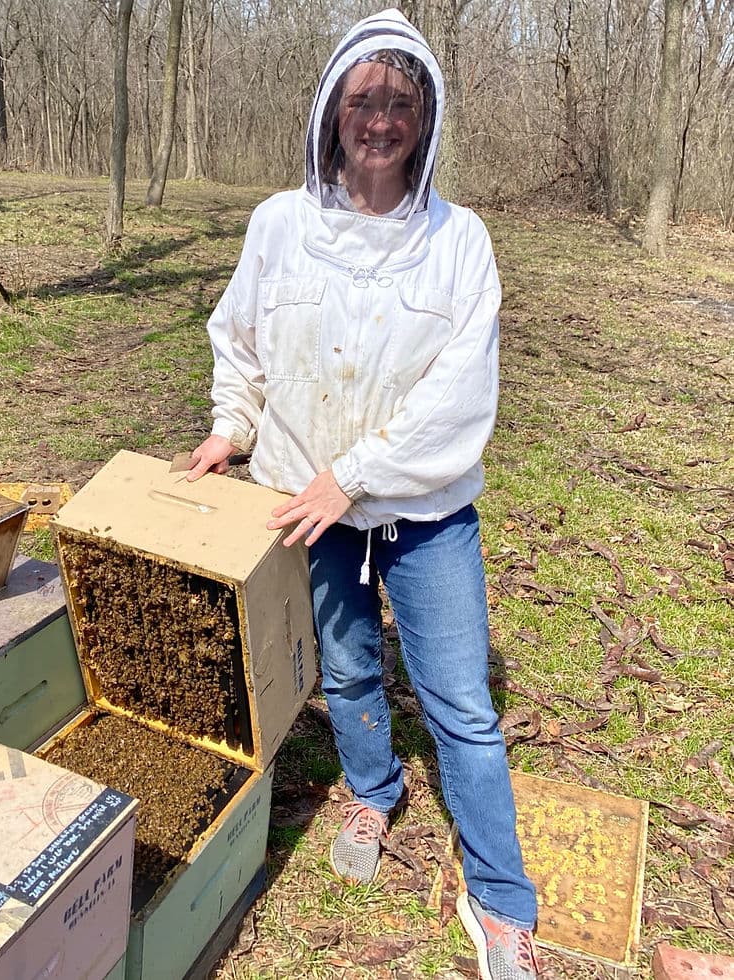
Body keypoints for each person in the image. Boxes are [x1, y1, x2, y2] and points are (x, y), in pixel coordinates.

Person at [186, 9, 539, 979]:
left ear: (426, 120)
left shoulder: (459, 242)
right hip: (313, 510)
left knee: (460, 702)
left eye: (400, 103)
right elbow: (240, 341)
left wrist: (354, 475)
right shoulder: (278, 225)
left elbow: (457, 395)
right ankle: (373, 791)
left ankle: (501, 901)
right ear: (328, 113)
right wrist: (230, 428)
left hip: (424, 513)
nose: (380, 120)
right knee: (344, 671)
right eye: (362, 100)